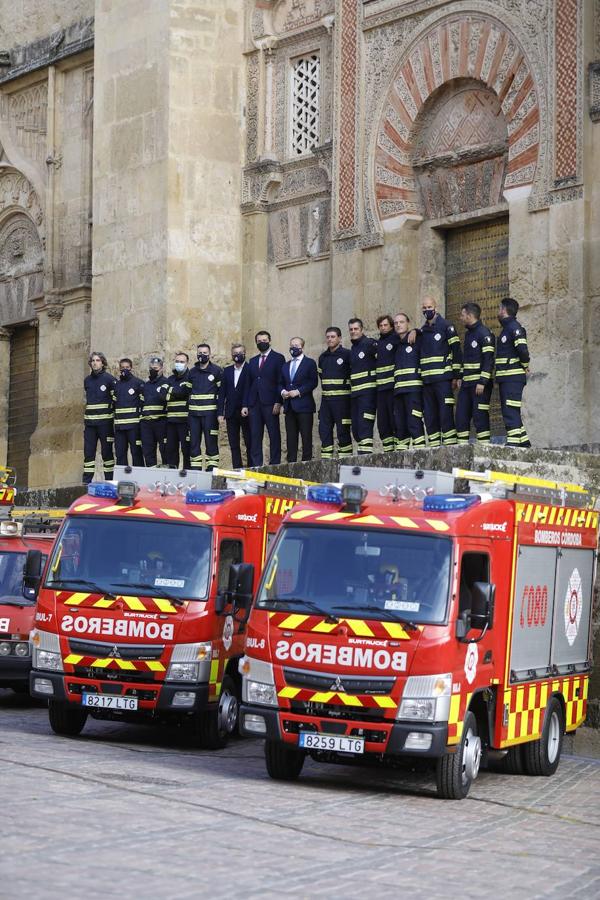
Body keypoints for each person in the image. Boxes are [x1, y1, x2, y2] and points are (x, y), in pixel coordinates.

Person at [411, 296, 462, 447]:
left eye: (429, 307)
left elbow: (457, 351)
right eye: (424, 308)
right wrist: (414, 330)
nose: (427, 310)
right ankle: (434, 447)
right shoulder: (422, 331)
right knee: (430, 416)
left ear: (435, 307)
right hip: (427, 382)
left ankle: (450, 447)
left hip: (443, 380)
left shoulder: (447, 326)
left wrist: (456, 375)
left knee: (445, 414)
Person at [242, 330, 285, 466]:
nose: (262, 343)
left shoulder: (278, 358)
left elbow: (281, 381)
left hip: (271, 403)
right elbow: (248, 384)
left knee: (274, 435)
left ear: (269, 340)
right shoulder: (253, 361)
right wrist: (245, 405)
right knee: (255, 437)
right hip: (254, 404)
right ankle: (256, 466)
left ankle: (274, 465)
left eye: (264, 340)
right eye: (259, 341)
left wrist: (279, 401)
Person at [455, 303, 495, 445]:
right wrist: (460, 376)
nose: (460, 318)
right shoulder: (468, 334)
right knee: (461, 416)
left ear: (470, 315)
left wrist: (482, 381)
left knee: (480, 416)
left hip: (479, 385)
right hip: (467, 384)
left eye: (462, 315)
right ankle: (461, 448)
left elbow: (488, 360)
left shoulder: (484, 333)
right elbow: (466, 358)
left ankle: (484, 448)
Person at [495, 297, 531, 447]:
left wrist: (525, 365)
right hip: (506, 377)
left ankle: (513, 446)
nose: (498, 312)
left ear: (504, 310)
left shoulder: (514, 328)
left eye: (499, 309)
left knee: (510, 411)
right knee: (512, 411)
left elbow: (523, 350)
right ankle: (524, 444)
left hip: (512, 378)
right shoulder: (507, 328)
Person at [280, 336, 318, 462]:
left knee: (306, 437)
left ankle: (306, 463)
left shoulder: (310, 363)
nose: (293, 348)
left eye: (296, 345)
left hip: (304, 406)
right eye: (292, 345)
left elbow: (313, 382)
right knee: (291, 438)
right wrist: (283, 391)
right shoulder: (286, 365)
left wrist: (298, 391)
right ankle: (291, 464)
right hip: (289, 407)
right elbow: (280, 383)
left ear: (302, 346)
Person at [317, 327, 353, 459]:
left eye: (333, 337)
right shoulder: (323, 357)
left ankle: (345, 462)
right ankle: (326, 462)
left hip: (342, 401)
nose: (330, 339)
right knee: (324, 432)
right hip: (326, 402)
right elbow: (322, 376)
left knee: (343, 432)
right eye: (328, 337)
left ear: (339, 338)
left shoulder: (347, 355)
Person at [82, 351, 116, 483]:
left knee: (107, 454)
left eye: (98, 360)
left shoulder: (110, 379)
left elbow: (115, 400)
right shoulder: (87, 381)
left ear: (103, 363)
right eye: (93, 361)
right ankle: (86, 482)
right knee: (88, 454)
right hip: (90, 424)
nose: (95, 363)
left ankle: (110, 481)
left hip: (105, 424)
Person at [393, 313, 425, 449]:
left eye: (401, 322)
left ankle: (420, 455)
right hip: (399, 391)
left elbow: (427, 332)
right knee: (400, 426)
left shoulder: (417, 339)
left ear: (408, 323)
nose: (398, 325)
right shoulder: (394, 343)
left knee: (414, 423)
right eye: (396, 323)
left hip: (414, 391)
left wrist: (416, 330)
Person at [188, 343, 222, 471]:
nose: (202, 355)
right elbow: (188, 393)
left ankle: (211, 472)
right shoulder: (191, 372)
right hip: (194, 416)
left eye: (205, 353)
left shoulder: (217, 371)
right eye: (200, 353)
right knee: (194, 444)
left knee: (211, 444)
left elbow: (221, 393)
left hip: (210, 415)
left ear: (210, 354)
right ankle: (195, 471)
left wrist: (220, 413)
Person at [218, 343, 251, 469]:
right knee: (234, 443)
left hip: (246, 411)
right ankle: (237, 468)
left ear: (245, 353)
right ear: (232, 355)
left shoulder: (250, 369)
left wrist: (246, 405)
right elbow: (222, 393)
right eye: (235, 353)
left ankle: (251, 468)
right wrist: (220, 412)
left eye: (240, 353)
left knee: (249, 442)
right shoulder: (226, 371)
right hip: (231, 412)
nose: (238, 355)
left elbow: (250, 390)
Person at [348, 317, 378, 455]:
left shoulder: (370, 344)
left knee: (365, 427)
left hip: (368, 394)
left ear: (362, 330)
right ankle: (361, 456)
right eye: (351, 329)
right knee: (356, 429)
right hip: (355, 395)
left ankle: (365, 459)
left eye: (356, 329)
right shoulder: (353, 349)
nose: (353, 332)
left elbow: (381, 361)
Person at [111, 357, 144, 467]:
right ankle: (122, 479)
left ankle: (139, 479)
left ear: (131, 368)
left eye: (127, 367)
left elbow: (143, 403)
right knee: (120, 454)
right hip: (120, 427)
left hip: (134, 426)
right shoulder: (116, 385)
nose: (124, 370)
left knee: (136, 453)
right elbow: (114, 403)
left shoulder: (138, 383)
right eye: (122, 368)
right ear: (119, 369)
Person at [375, 314, 400, 452]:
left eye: (386, 325)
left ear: (391, 326)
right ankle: (388, 452)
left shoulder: (396, 339)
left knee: (395, 421)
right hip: (381, 390)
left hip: (393, 388)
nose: (383, 328)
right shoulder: (378, 344)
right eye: (381, 326)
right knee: (383, 424)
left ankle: (397, 451)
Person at [140, 356, 170, 467]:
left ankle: (166, 476)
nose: (153, 371)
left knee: (165, 450)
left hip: (161, 422)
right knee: (148, 452)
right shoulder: (146, 385)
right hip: (147, 424)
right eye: (152, 368)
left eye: (156, 369)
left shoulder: (166, 383)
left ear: (162, 369)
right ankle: (151, 476)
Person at [166, 352, 192, 469]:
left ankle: (187, 476)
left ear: (187, 363)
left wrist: (170, 391)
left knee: (187, 450)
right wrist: (176, 391)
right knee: (171, 451)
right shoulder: (170, 379)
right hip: (171, 421)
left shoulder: (190, 377)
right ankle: (172, 478)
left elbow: (184, 392)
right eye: (177, 361)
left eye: (182, 362)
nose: (179, 364)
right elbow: (162, 395)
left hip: (185, 421)